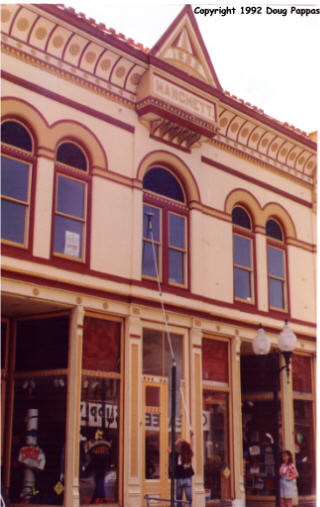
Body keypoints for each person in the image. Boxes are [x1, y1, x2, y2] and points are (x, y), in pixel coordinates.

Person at [172, 440, 194, 506]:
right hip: (187, 479)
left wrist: (178, 441)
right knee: (189, 500)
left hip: (179, 478)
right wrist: (191, 437)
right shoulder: (189, 455)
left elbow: (171, 447)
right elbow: (191, 446)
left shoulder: (178, 455)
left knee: (179, 499)